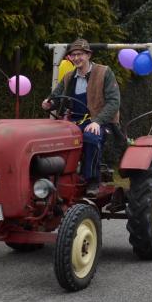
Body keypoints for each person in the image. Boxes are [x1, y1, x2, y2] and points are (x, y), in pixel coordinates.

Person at [42, 38, 120, 196]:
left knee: (91, 137)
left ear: (88, 55)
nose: (76, 58)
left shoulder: (104, 72)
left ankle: (92, 180)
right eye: (73, 55)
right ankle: (53, 180)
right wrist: (49, 104)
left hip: (98, 121)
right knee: (50, 138)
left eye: (80, 54)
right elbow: (56, 97)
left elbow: (114, 102)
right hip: (73, 121)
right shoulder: (68, 77)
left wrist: (97, 121)